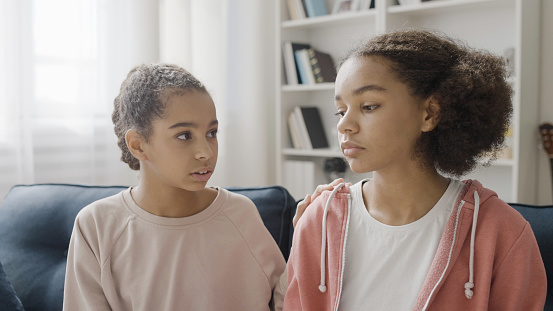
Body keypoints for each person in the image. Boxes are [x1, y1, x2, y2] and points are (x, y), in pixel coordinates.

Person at [283, 29, 547, 310]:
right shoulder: (318, 221)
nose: (344, 125)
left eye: (369, 106)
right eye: (340, 110)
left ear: (429, 113)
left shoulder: (502, 232)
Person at [63, 63, 286, 311]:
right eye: (184, 135)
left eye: (211, 132)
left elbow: (290, 298)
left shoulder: (240, 214)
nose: (206, 152)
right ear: (138, 145)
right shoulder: (96, 225)